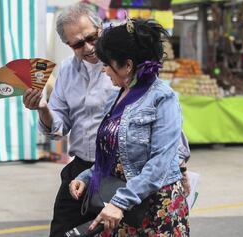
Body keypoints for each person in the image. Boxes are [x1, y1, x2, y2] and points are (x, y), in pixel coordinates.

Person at [69, 19, 190, 236]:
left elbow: (160, 162)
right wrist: (87, 176)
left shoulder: (163, 97)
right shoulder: (116, 98)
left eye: (107, 64)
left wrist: (120, 202)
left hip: (154, 209)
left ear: (127, 65)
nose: (104, 71)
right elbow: (114, 155)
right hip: (121, 206)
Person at [22, 3, 117, 237]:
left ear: (101, 28)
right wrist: (43, 108)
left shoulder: (121, 65)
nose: (88, 47)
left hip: (117, 170)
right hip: (81, 167)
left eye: (92, 38)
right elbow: (58, 129)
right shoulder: (66, 70)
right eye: (77, 44)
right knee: (62, 231)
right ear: (68, 45)